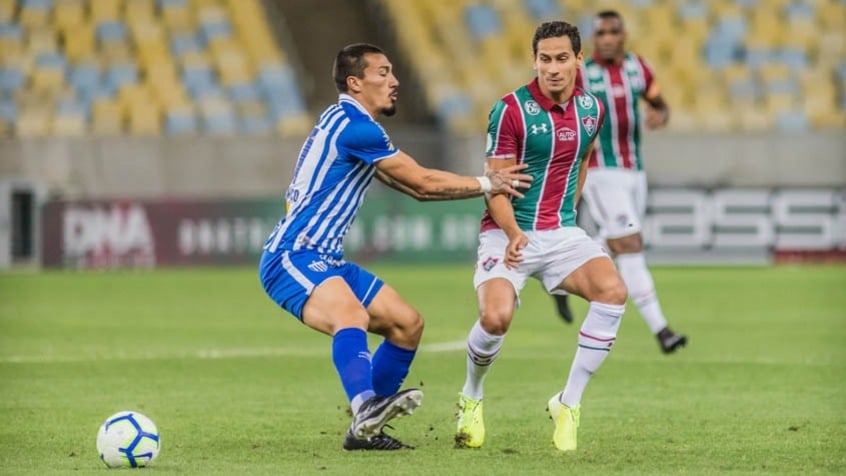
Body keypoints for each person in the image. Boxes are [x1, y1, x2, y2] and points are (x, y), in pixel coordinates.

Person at [258, 43, 532, 452]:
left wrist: (479, 187)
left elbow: (415, 190)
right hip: (292, 255)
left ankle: (364, 429)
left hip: (326, 258)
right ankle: (367, 405)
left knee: (406, 324)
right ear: (355, 83)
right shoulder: (357, 127)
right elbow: (421, 181)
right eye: (383, 73)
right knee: (349, 313)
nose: (394, 81)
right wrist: (488, 182)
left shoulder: (346, 123)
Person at [455, 21, 628, 452]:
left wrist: (567, 216)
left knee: (613, 291)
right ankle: (471, 396)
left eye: (562, 58)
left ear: (577, 60)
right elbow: (495, 184)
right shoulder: (510, 110)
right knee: (496, 318)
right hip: (506, 231)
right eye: (545, 59)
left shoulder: (592, 109)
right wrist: (514, 233)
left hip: (561, 232)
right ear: (535, 61)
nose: (553, 68)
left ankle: (568, 403)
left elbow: (583, 162)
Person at [551, 10, 688, 354]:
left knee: (614, 242)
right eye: (602, 33)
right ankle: (662, 330)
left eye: (614, 31)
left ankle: (561, 279)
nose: (608, 38)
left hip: (634, 172)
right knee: (630, 243)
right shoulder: (581, 74)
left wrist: (661, 114)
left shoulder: (638, 68)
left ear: (623, 35)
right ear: (594, 39)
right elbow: (556, 110)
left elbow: (659, 102)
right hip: (599, 172)